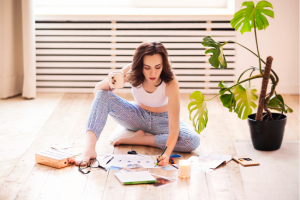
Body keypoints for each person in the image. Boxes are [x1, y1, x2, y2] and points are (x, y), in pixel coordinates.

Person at [74, 41, 200, 167]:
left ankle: (142, 139)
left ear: (163, 65)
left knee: (192, 140)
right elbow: (98, 93)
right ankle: (89, 149)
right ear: (140, 65)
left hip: (163, 121)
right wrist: (110, 81)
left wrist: (166, 154)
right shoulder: (132, 70)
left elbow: (173, 128)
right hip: (137, 116)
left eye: (158, 67)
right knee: (103, 95)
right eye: (147, 67)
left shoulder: (171, 82)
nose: (153, 73)